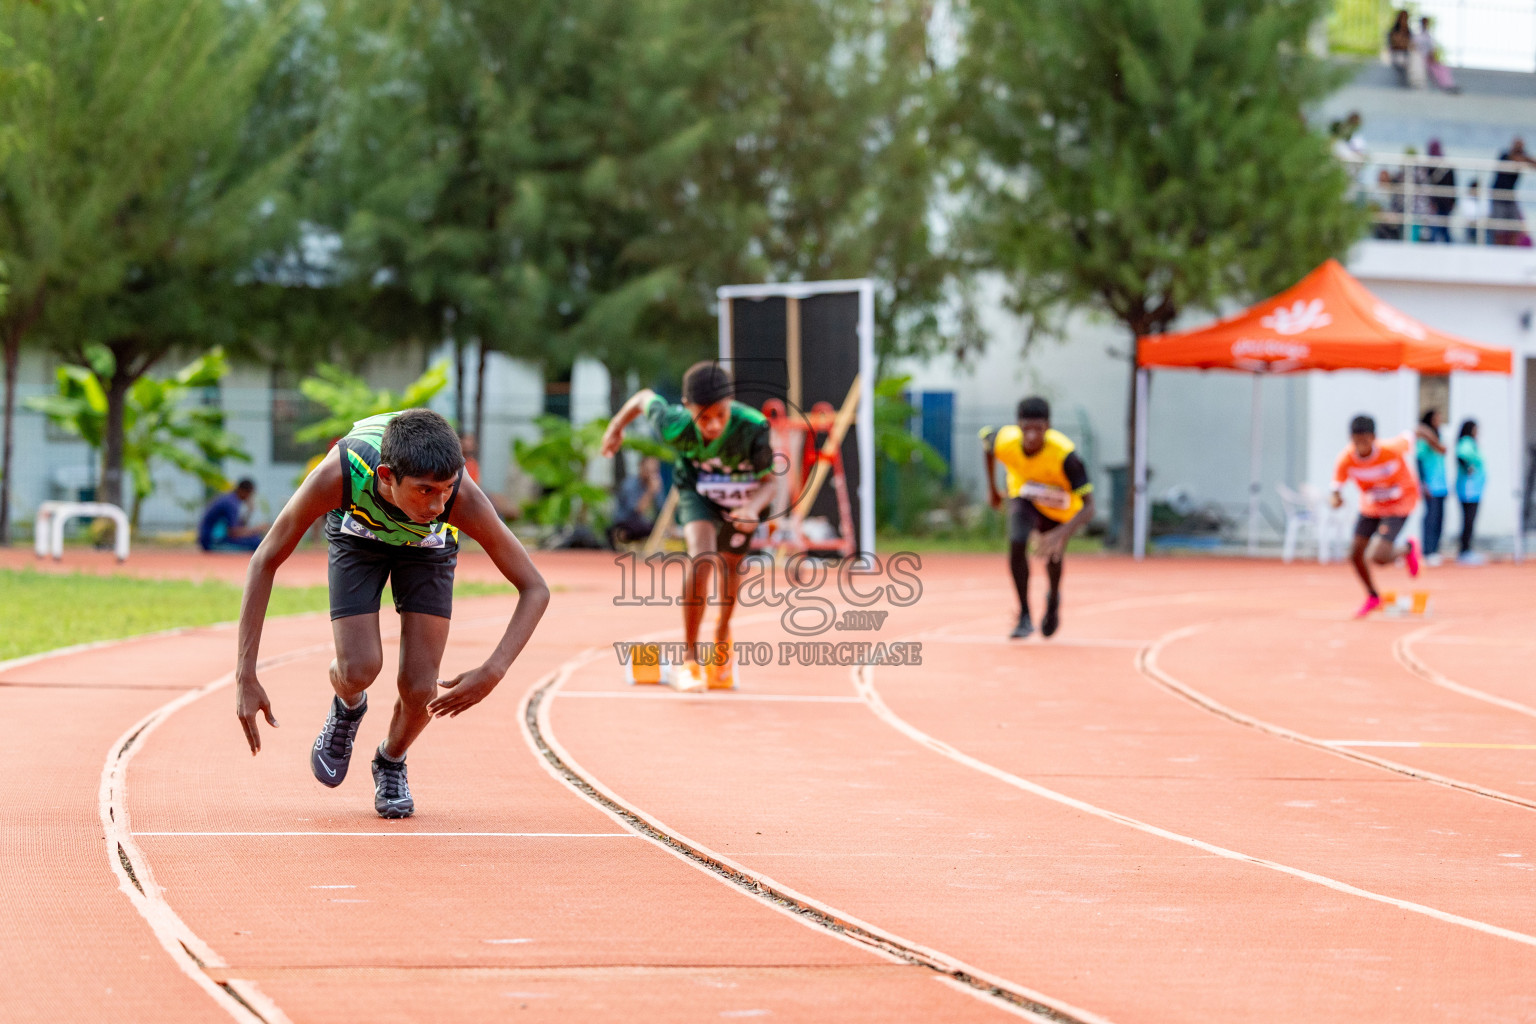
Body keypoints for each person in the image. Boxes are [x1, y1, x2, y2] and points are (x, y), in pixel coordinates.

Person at [233, 409, 550, 818]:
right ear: (386, 476)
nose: (438, 503)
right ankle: (348, 705)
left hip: (428, 550)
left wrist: (494, 670)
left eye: (446, 489)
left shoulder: (459, 499)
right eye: (424, 491)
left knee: (421, 689)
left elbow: (535, 587)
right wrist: (245, 675)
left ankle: (391, 760)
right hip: (359, 537)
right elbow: (264, 561)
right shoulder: (341, 474)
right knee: (360, 667)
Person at [601, 362, 775, 692]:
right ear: (686, 407)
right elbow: (642, 398)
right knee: (702, 559)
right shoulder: (673, 423)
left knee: (733, 566)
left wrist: (752, 508)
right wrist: (615, 427)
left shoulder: (754, 427)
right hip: (697, 494)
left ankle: (723, 630)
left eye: (720, 415)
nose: (712, 425)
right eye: (702, 417)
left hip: (743, 498)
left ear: (732, 404)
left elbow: (769, 483)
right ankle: (690, 659)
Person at [981, 397, 1096, 640]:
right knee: (1017, 541)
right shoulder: (1006, 440)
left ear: (1048, 427)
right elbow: (986, 443)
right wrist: (992, 489)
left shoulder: (1066, 456)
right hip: (1025, 496)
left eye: (1039, 429)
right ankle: (1024, 614)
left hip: (1058, 507)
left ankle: (1053, 598)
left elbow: (1089, 508)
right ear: (1018, 425)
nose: (1032, 436)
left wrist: (1060, 533)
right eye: (1026, 428)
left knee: (1052, 556)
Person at [1331, 414, 1421, 617]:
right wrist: (1336, 500)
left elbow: (1415, 432)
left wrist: (1437, 445)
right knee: (1355, 553)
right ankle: (1373, 596)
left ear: (1374, 438)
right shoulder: (1345, 459)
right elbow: (1335, 490)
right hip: (1372, 506)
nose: (1361, 446)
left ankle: (1407, 548)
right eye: (1356, 441)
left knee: (1378, 557)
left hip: (1400, 503)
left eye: (1365, 440)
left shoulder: (1391, 448)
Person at [1416, 409, 1448, 566]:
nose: (1439, 421)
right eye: (1436, 418)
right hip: (1430, 485)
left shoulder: (1438, 437)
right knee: (1431, 518)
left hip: (1441, 485)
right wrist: (1423, 483)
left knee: (1440, 519)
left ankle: (1435, 549)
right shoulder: (1423, 440)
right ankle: (1427, 551)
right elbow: (1419, 461)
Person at [608, 455, 662, 547]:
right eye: (649, 470)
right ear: (641, 467)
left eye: (654, 471)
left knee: (658, 528)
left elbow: (662, 509)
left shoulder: (656, 485)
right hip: (626, 522)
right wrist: (650, 492)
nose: (651, 475)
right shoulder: (630, 484)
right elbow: (636, 510)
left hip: (643, 524)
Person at [198, 479, 266, 552]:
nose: (250, 497)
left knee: (255, 540)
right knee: (257, 543)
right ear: (244, 491)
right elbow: (234, 532)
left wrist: (249, 512)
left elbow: (239, 526)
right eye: (250, 494)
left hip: (212, 539)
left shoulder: (230, 499)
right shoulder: (231, 504)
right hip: (213, 541)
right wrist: (256, 530)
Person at [1491, 138, 1536, 246]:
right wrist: (1525, 158)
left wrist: (1526, 158)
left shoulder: (1523, 157)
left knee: (1516, 225)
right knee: (1499, 227)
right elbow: (1514, 159)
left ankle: (1512, 247)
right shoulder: (1504, 155)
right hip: (1498, 195)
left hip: (1510, 196)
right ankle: (1499, 248)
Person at [1455, 419, 1486, 565]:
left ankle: (1467, 549)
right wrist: (1468, 468)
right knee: (1468, 520)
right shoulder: (1467, 442)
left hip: (1474, 489)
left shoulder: (1471, 443)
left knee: (1470, 520)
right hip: (1469, 489)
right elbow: (1460, 456)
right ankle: (1464, 550)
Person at [1423, 140, 1456, 243]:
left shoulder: (1433, 167)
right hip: (1442, 203)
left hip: (1438, 203)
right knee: (1441, 230)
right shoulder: (1446, 167)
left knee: (1438, 230)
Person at [1416, 18, 1458, 93]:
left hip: (1429, 60)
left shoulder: (1429, 37)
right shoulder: (1417, 36)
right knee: (1435, 70)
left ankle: (1449, 85)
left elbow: (1432, 51)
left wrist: (1432, 58)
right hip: (1420, 60)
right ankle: (1445, 86)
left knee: (1442, 68)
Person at [1387, 10, 1417, 87]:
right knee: (1401, 61)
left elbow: (1412, 45)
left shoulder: (1409, 32)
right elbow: (1395, 44)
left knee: (1414, 59)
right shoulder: (1394, 30)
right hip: (1396, 54)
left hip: (1406, 54)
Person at [1461, 179, 1491, 244]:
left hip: (1482, 224)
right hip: (1471, 224)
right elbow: (1467, 213)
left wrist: (1480, 221)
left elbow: (1486, 212)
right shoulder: (1467, 199)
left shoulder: (1484, 198)